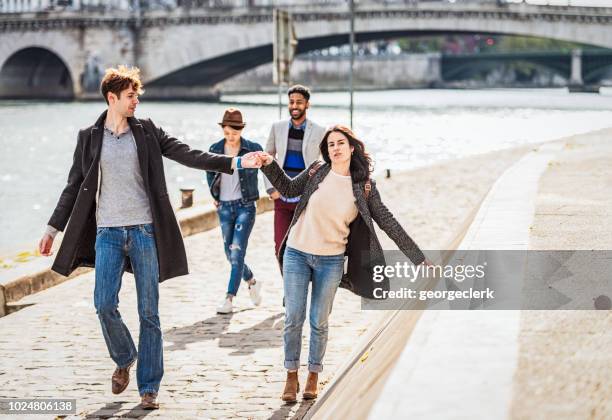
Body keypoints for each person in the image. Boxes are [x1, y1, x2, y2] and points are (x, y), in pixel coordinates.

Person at [37, 66, 261, 409]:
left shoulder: (147, 131)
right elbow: (73, 187)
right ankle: (125, 356)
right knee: (104, 304)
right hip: (107, 233)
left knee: (149, 312)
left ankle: (149, 387)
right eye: (130, 96)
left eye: (137, 95)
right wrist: (53, 229)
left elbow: (189, 154)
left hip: (143, 232)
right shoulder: (89, 137)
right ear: (112, 98)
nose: (136, 101)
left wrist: (236, 163)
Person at [257, 125, 428, 403]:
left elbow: (387, 220)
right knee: (293, 318)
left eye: (340, 143)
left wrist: (417, 257)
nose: (334, 148)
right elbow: (288, 187)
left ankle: (313, 374)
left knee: (319, 321)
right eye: (330, 144)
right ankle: (291, 374)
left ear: (351, 148)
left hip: (331, 261)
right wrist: (268, 164)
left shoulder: (364, 187)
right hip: (297, 253)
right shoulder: (316, 171)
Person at [206, 108, 263, 314]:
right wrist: (215, 197)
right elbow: (209, 174)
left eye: (235, 133)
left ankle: (229, 298)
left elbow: (267, 170)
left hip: (245, 206)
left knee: (237, 251)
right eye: (227, 132)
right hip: (224, 207)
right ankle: (252, 281)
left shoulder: (253, 149)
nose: (231, 137)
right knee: (230, 254)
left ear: (241, 130)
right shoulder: (214, 148)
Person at [263, 84, 326, 264]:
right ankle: (289, 289)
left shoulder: (320, 130)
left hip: (306, 198)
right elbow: (267, 158)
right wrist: (270, 189)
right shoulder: (277, 127)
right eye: (291, 102)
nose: (294, 106)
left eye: (299, 102)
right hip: (281, 197)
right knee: (279, 246)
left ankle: (299, 286)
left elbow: (325, 163)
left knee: (305, 246)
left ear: (307, 104)